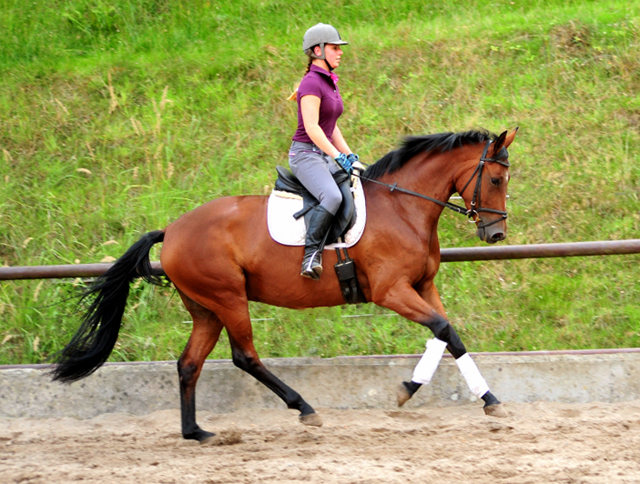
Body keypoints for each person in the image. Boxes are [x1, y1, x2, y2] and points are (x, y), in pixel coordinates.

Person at [288, 23, 359, 280]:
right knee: (332, 197)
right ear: (317, 50)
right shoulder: (310, 84)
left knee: (355, 186)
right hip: (305, 154)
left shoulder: (329, 83)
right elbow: (312, 128)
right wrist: (336, 156)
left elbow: (331, 124)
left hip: (322, 153)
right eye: (334, 48)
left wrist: (349, 154)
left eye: (340, 48)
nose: (340, 52)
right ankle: (311, 256)